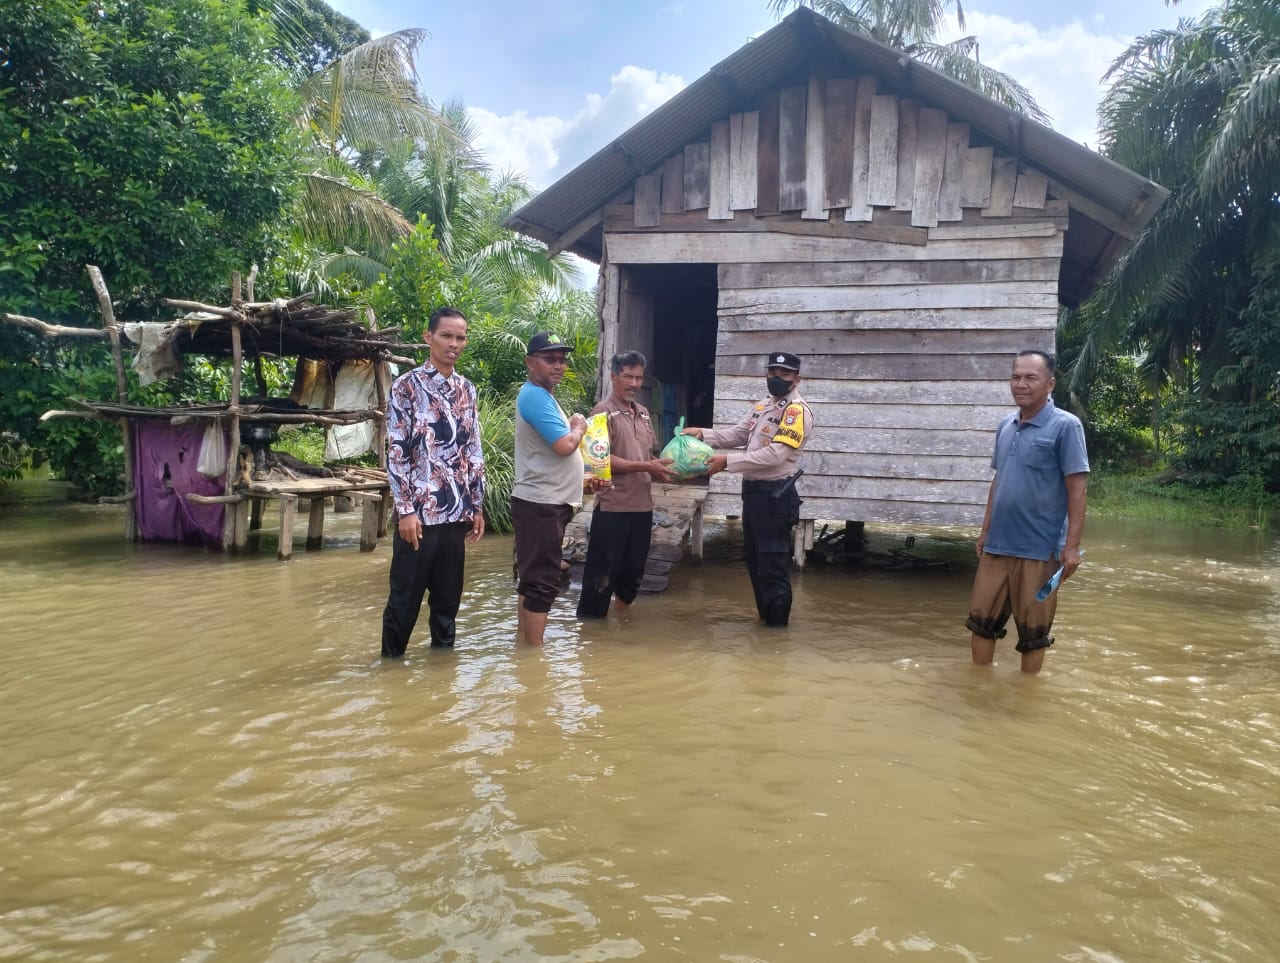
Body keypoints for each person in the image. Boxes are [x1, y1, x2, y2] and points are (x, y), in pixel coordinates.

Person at [966, 349, 1089, 674]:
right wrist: (985, 530)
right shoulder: (1005, 425)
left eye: (1030, 377)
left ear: (1050, 383)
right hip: (997, 545)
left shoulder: (1066, 426)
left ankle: (1027, 698)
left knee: (1034, 633)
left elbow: (1077, 489)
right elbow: (999, 480)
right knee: (980, 621)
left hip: (1040, 549)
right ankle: (978, 690)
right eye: (1016, 377)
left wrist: (1072, 547)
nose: (1020, 384)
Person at [381, 306, 485, 658]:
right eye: (446, 336)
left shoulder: (467, 390)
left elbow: (472, 448)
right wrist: (406, 511)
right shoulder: (407, 387)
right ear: (429, 337)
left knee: (447, 602)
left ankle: (442, 676)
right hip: (419, 518)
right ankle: (391, 668)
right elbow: (396, 451)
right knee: (404, 599)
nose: (453, 344)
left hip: (456, 513)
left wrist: (477, 504)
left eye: (460, 337)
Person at [683, 351, 812, 626]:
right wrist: (703, 433)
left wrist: (726, 462)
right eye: (772, 373)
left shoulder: (795, 412)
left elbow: (776, 455)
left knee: (773, 569)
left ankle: (776, 634)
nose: (776, 378)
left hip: (775, 497)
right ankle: (765, 628)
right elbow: (740, 433)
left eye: (784, 374)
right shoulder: (765, 405)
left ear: (796, 378)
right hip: (754, 496)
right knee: (755, 565)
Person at [512, 331, 596, 645]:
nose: (558, 365)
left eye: (562, 359)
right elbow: (564, 445)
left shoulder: (542, 395)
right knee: (543, 584)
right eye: (550, 359)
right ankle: (533, 659)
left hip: (542, 503)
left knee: (531, 580)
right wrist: (578, 426)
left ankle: (524, 647)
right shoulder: (534, 395)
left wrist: (582, 481)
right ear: (530, 362)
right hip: (541, 505)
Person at [576, 351, 673, 619]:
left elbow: (644, 456)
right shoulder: (601, 412)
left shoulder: (642, 413)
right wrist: (646, 466)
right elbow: (600, 459)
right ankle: (592, 636)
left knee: (632, 577)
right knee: (601, 578)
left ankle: (620, 626)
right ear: (613, 377)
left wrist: (659, 469)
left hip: (642, 508)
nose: (633, 383)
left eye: (638, 377)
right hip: (613, 508)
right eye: (627, 377)